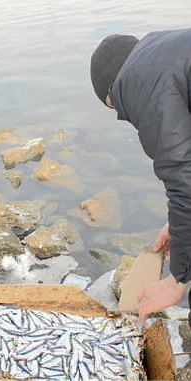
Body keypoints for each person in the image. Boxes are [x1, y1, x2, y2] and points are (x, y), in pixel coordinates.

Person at [90, 31, 191, 324]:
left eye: (114, 106)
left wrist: (177, 280)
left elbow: (183, 180)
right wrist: (178, 222)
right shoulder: (163, 53)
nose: (124, 114)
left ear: (111, 89)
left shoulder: (138, 82)